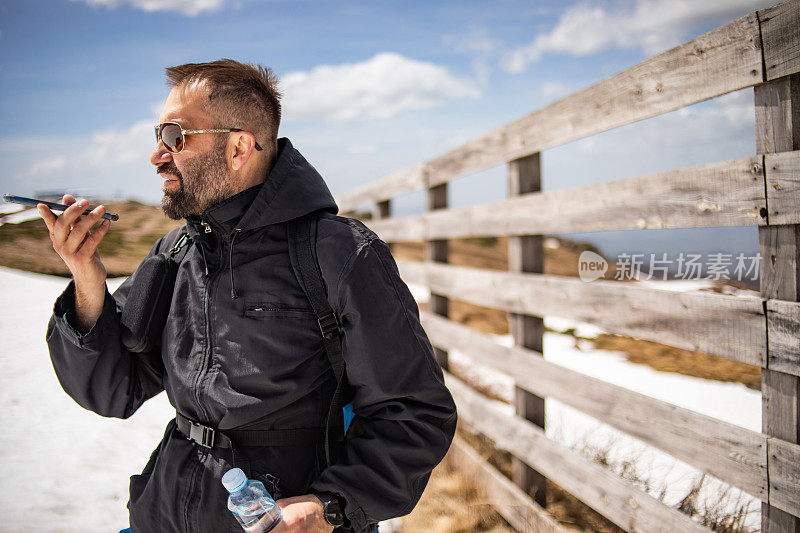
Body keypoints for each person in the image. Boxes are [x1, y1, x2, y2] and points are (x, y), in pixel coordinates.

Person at [40, 59, 458, 533]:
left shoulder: (340, 253)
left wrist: (331, 506)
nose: (158, 155)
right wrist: (89, 285)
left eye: (175, 136)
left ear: (238, 146)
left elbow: (416, 412)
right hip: (162, 515)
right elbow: (113, 391)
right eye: (159, 136)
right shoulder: (176, 253)